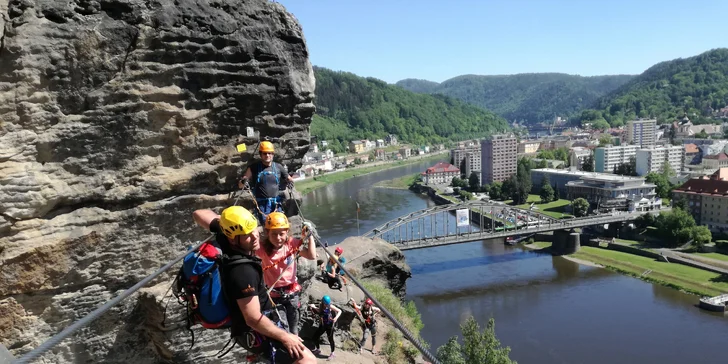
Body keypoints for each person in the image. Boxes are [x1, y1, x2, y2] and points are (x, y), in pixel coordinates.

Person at [192, 206, 316, 364]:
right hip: (253, 330)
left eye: (254, 230)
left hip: (259, 318)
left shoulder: (229, 236)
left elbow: (198, 213)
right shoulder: (243, 271)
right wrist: (285, 338)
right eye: (247, 235)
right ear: (233, 239)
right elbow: (252, 318)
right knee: (306, 360)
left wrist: (224, 222)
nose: (254, 236)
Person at [257, 212, 316, 336]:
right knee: (283, 328)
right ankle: (289, 350)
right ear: (267, 233)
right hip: (274, 296)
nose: (278, 238)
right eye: (274, 234)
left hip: (291, 293)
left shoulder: (291, 244)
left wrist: (309, 236)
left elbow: (311, 255)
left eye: (281, 234)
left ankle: (297, 352)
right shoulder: (262, 249)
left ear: (287, 233)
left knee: (294, 329)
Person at [239, 141, 295, 224]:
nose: (267, 155)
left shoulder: (278, 167)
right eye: (265, 153)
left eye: (269, 153)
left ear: (273, 154)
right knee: (267, 227)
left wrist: (290, 183)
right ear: (261, 154)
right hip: (262, 205)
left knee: (279, 225)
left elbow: (290, 179)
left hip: (276, 203)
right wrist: (244, 181)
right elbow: (240, 185)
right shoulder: (254, 167)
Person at [308, 295, 342, 361]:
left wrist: (336, 318)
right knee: (315, 337)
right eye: (325, 304)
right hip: (323, 325)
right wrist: (314, 307)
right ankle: (318, 349)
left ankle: (332, 353)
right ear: (323, 302)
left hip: (329, 326)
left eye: (327, 304)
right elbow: (320, 311)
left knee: (330, 339)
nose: (327, 305)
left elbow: (340, 311)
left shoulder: (330, 306)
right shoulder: (321, 306)